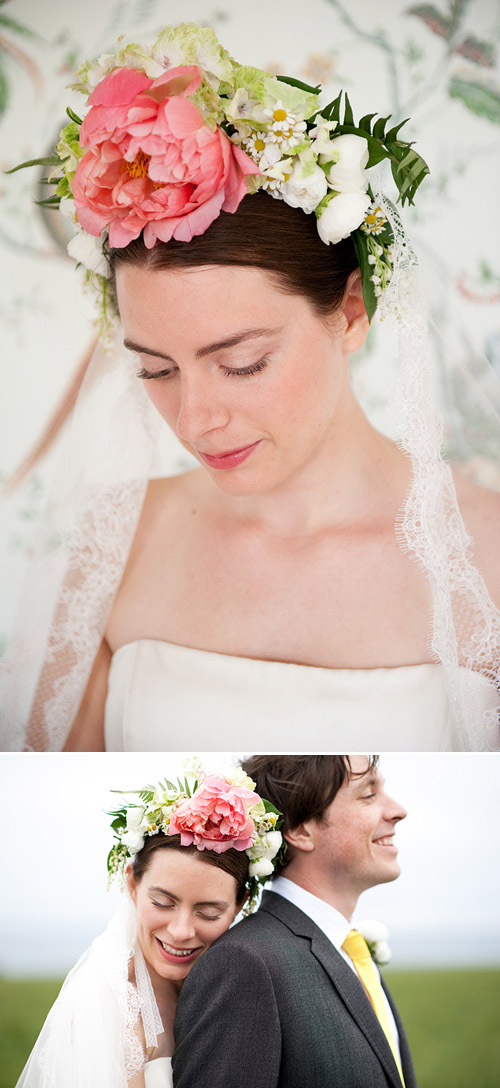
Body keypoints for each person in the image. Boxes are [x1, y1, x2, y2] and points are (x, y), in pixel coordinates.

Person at [2, 23, 499, 751]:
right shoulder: (112, 549)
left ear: (351, 311)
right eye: (156, 369)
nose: (196, 420)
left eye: (242, 362)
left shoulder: (486, 554)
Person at [15, 761, 283, 1088]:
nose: (181, 931)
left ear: (240, 905)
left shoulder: (233, 988)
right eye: (162, 903)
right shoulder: (108, 1007)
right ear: (132, 885)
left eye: (209, 912)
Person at [173, 753, 415, 1088]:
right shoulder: (245, 964)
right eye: (368, 794)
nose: (398, 810)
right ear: (301, 830)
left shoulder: (351, 951)